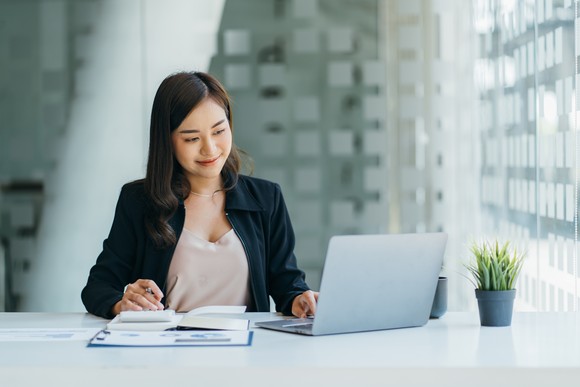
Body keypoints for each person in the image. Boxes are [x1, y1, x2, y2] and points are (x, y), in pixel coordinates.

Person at [81, 71, 318, 319]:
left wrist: (299, 298)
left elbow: (287, 283)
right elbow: (99, 287)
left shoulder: (266, 198)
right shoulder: (139, 201)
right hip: (167, 349)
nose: (210, 148)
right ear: (168, 141)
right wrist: (123, 303)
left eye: (218, 131)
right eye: (192, 138)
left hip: (247, 350)